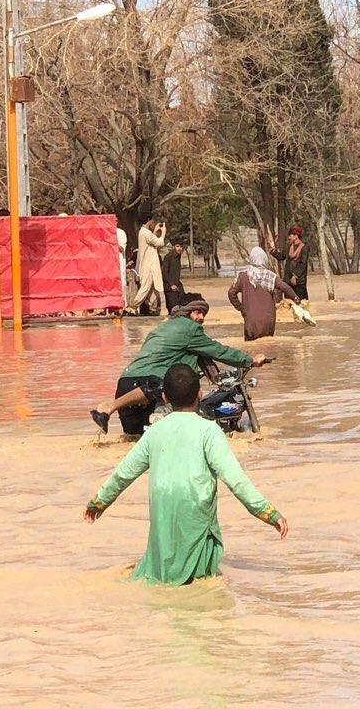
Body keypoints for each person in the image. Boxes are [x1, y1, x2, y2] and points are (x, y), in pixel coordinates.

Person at [85, 364, 288, 585]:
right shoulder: (209, 431)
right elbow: (236, 481)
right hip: (195, 513)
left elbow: (123, 474)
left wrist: (99, 503)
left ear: (164, 396)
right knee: (201, 581)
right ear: (200, 394)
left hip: (163, 511)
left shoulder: (155, 432)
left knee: (162, 575)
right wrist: (268, 513)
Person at [90, 299, 267, 436]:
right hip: (146, 386)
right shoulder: (190, 330)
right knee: (172, 391)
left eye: (204, 314)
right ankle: (108, 406)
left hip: (125, 386)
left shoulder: (163, 328)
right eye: (198, 313)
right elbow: (219, 351)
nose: (201, 318)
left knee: (135, 442)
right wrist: (250, 360)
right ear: (187, 313)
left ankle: (111, 408)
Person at [228, 246, 303, 341]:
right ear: (265, 259)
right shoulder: (271, 276)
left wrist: (241, 308)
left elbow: (231, 293)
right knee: (269, 348)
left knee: (252, 350)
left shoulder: (243, 276)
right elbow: (285, 287)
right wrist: (296, 299)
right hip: (269, 319)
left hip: (251, 320)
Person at [130, 217, 166, 315]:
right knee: (146, 287)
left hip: (148, 264)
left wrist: (154, 231)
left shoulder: (144, 232)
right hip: (149, 265)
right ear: (149, 220)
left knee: (152, 288)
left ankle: (153, 308)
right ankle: (133, 306)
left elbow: (151, 241)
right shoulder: (146, 233)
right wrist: (163, 233)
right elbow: (159, 243)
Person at [270, 226, 309, 303]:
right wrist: (273, 251)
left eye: (290, 235)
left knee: (300, 303)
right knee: (289, 303)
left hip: (299, 282)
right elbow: (281, 257)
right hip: (288, 280)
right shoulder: (289, 247)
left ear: (296, 236)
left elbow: (303, 264)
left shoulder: (304, 248)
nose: (289, 237)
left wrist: (295, 276)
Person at [161, 239, 187, 313]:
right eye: (177, 246)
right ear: (173, 247)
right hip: (169, 287)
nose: (179, 248)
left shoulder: (178, 256)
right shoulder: (168, 257)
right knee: (172, 309)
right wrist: (171, 284)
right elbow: (164, 273)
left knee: (182, 304)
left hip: (177, 285)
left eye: (181, 247)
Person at [116, 226, 128, 308]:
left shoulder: (120, 232)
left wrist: (112, 241)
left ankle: (122, 306)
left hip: (118, 263)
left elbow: (122, 249)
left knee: (121, 283)